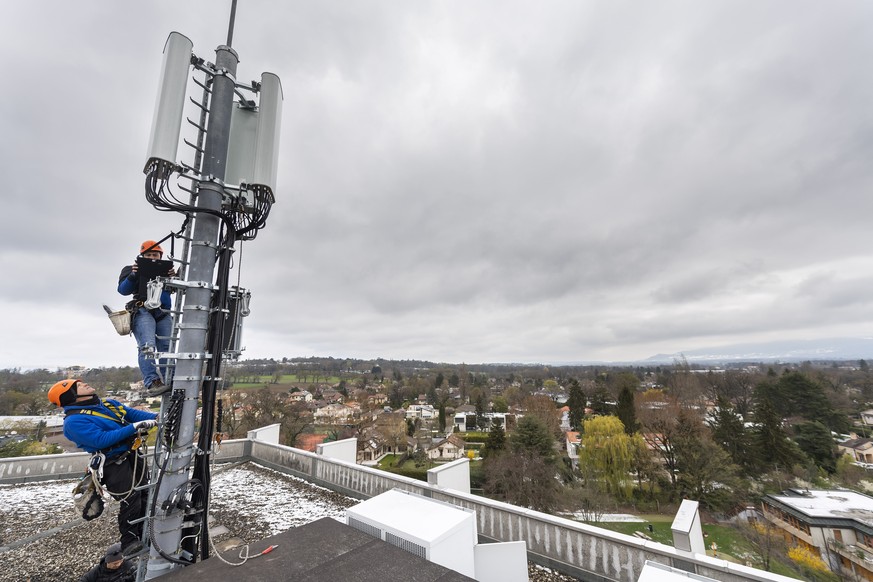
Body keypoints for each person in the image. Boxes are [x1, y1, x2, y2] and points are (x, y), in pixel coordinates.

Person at [48, 379, 157, 554]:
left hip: (132, 454)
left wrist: (158, 418)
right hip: (112, 462)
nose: (84, 384)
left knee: (144, 492)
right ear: (71, 396)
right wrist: (133, 428)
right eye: (78, 386)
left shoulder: (106, 404)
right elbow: (101, 440)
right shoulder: (73, 422)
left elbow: (131, 414)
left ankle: (147, 533)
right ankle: (130, 541)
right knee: (130, 499)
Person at [118, 239, 175, 396]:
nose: (152, 258)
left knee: (167, 348)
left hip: (162, 312)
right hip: (143, 310)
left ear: (160, 256)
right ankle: (153, 382)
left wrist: (173, 278)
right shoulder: (131, 270)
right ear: (142, 256)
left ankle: (172, 379)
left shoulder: (166, 271)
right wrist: (134, 274)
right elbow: (123, 290)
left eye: (155, 255)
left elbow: (176, 290)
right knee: (147, 346)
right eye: (148, 255)